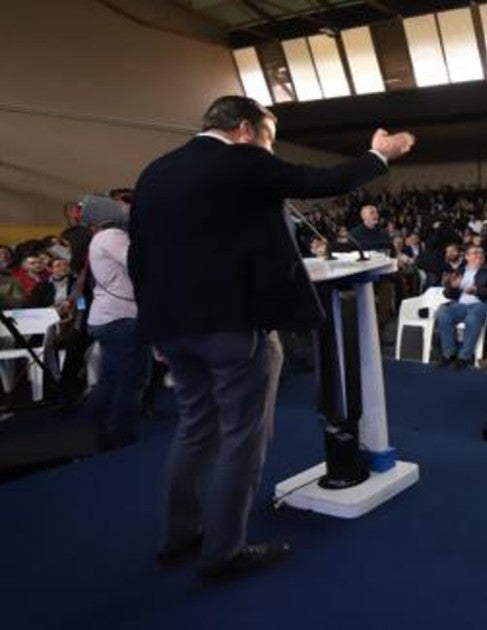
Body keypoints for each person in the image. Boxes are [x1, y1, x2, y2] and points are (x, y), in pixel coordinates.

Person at [129, 95, 414, 584]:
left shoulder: (155, 171)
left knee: (195, 427)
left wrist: (156, 324)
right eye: (268, 137)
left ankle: (180, 536)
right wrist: (378, 155)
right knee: (243, 435)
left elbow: (141, 256)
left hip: (172, 326)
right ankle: (223, 552)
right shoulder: (239, 160)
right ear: (244, 129)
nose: (269, 148)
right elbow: (318, 181)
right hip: (233, 324)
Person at [86, 206, 151, 450]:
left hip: (108, 317)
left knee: (110, 377)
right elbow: (137, 262)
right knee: (132, 380)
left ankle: (97, 426)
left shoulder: (100, 238)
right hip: (121, 318)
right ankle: (121, 434)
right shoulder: (113, 236)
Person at [433, 245, 487, 370]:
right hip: (461, 305)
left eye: (481, 253)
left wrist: (477, 290)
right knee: (443, 314)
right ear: (467, 257)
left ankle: (464, 357)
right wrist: (453, 287)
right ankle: (449, 353)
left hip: (480, 304)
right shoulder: (460, 271)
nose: (479, 255)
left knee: (472, 319)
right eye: (475, 253)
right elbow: (447, 294)